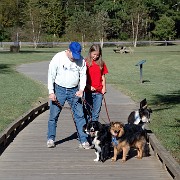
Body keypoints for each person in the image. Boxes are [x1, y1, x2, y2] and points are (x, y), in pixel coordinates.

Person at [47, 42, 91, 149]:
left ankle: (83, 140)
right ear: (68, 50)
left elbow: (83, 75)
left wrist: (81, 90)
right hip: (59, 89)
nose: (74, 58)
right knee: (54, 115)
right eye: (73, 56)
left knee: (79, 116)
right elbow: (51, 75)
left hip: (74, 91)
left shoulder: (80, 60)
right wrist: (51, 92)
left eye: (77, 55)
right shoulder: (58, 58)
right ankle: (50, 139)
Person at [84, 44, 108, 122]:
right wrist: (88, 86)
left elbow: (103, 76)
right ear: (90, 52)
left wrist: (104, 87)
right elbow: (82, 78)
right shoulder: (85, 63)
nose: (96, 56)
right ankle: (88, 128)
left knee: (96, 113)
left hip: (99, 92)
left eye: (98, 55)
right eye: (94, 54)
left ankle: (94, 130)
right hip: (88, 92)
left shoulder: (101, 63)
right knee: (88, 112)